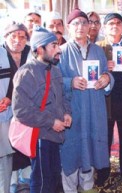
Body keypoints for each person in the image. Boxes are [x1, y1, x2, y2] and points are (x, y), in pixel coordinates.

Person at [58, 8, 114, 193]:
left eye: (84, 23)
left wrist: (106, 78)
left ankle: (88, 185)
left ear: (90, 26)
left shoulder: (98, 50)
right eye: (76, 23)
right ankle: (70, 188)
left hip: (94, 108)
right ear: (68, 27)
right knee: (72, 148)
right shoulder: (62, 52)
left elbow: (107, 73)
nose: (80, 27)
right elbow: (54, 81)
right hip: (72, 109)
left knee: (91, 145)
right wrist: (70, 82)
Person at [12, 26, 72, 193]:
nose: (59, 49)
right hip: (39, 137)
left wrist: (67, 113)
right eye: (53, 45)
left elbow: (63, 97)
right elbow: (21, 111)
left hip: (55, 136)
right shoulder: (26, 73)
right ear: (40, 49)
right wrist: (51, 121)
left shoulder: (55, 70)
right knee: (41, 183)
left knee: (53, 179)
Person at [95, 12, 122, 185]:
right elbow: (91, 74)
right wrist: (105, 69)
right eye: (111, 23)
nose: (115, 25)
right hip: (106, 101)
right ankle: (103, 172)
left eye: (118, 23)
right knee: (104, 138)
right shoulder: (97, 47)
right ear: (105, 27)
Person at [0, 21, 31, 193]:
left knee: (26, 148)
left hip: (26, 111)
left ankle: (25, 182)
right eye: (13, 35)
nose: (18, 40)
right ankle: (9, 185)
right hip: (4, 113)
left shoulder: (31, 53)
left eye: (22, 36)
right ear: (5, 37)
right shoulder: (0, 53)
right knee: (6, 153)